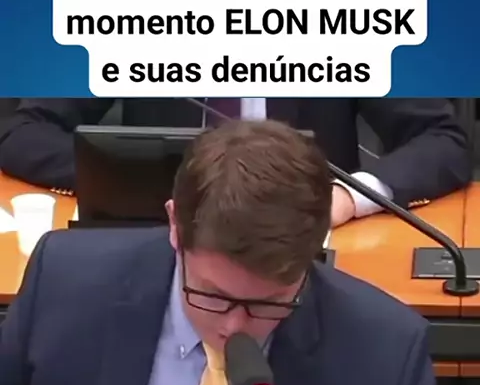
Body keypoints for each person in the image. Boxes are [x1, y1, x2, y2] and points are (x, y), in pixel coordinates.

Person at [0, 119, 450, 385]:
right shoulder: (66, 286)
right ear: (175, 226)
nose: (235, 327)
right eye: (212, 295)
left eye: (268, 303)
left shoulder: (384, 348)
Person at [0, 96, 471, 228]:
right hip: (163, 241)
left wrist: (346, 198)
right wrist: (125, 181)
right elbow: (22, 133)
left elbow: (444, 142)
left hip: (306, 248)